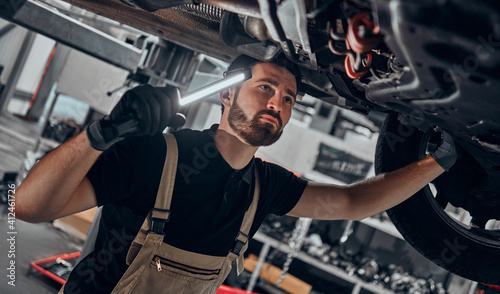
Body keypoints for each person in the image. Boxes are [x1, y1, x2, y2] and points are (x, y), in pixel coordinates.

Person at [15, 54, 459, 293]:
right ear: (226, 96)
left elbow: (352, 202)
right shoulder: (151, 155)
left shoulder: (266, 185)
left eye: (288, 99)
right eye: (266, 88)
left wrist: (436, 161)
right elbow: (29, 207)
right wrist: (101, 134)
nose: (276, 104)